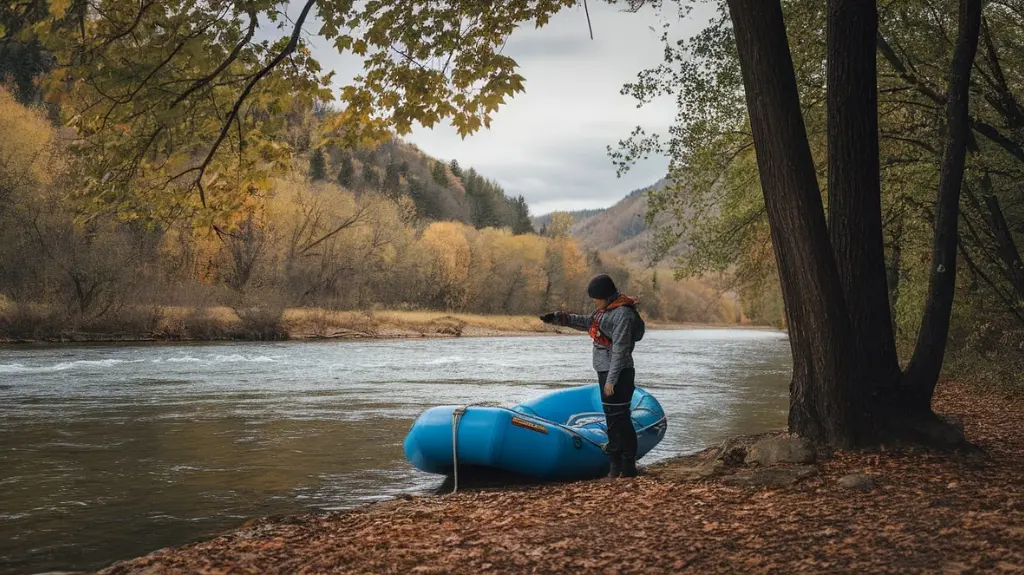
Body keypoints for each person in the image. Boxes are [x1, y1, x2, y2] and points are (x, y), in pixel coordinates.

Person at [539, 274, 645, 478]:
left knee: (619, 420)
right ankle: (619, 466)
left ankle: (624, 467)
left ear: (605, 296)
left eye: (596, 297)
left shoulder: (622, 314)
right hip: (607, 371)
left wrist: (612, 380)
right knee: (614, 418)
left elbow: (621, 350)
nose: (594, 301)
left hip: (619, 373)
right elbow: (587, 322)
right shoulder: (605, 310)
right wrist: (559, 317)